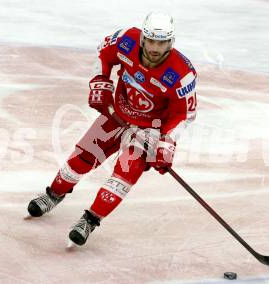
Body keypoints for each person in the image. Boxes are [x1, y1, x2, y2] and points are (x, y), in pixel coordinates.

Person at [27, 11, 197, 246]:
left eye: (162, 42)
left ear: (171, 42)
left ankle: (89, 221)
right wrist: (101, 80)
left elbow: (184, 114)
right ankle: (53, 194)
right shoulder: (125, 40)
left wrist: (165, 141)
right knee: (81, 158)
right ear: (143, 39)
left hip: (149, 131)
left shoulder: (181, 74)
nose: (156, 48)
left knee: (122, 178)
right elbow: (103, 54)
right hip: (117, 115)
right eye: (151, 41)